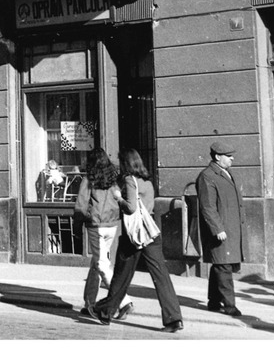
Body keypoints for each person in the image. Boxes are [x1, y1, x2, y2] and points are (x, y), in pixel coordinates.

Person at [94, 148, 184, 333]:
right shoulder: (147, 181)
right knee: (161, 276)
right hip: (151, 233)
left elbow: (132, 208)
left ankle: (106, 311)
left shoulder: (129, 180)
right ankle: (174, 319)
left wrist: (119, 198)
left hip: (134, 236)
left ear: (127, 163)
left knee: (121, 275)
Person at [197, 140, 245, 317]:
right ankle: (230, 305)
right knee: (223, 265)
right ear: (218, 157)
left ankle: (214, 302)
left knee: (220, 264)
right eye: (228, 156)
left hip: (230, 227)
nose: (232, 158)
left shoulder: (226, 173)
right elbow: (207, 206)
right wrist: (217, 228)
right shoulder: (207, 176)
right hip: (221, 229)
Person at [75, 147, 123, 323]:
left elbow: (81, 205)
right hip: (112, 225)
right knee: (97, 262)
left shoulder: (89, 179)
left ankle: (122, 301)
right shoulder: (112, 179)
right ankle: (89, 302)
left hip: (96, 225)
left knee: (101, 264)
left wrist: (78, 224)